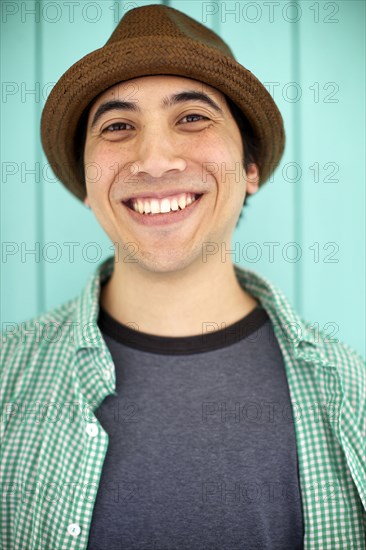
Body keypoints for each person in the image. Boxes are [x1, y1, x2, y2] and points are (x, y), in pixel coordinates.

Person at [1, 4, 364, 550]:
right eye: (118, 126)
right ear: (86, 178)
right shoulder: (7, 376)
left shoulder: (350, 389)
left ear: (250, 170)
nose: (153, 159)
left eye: (192, 117)